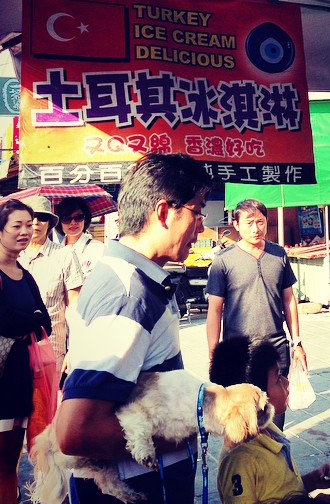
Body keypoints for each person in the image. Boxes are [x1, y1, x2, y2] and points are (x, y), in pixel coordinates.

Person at [55, 153, 211, 503]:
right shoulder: (130, 292)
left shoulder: (135, 277)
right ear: (163, 212)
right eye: (197, 211)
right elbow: (77, 431)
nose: (201, 225)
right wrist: (187, 429)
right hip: (138, 488)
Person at [205, 198, 307, 430]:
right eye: (249, 222)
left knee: (276, 415)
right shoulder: (223, 261)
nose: (256, 228)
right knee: (242, 420)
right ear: (236, 225)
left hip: (275, 347)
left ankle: (275, 458)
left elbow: (289, 299)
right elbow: (215, 310)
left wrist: (297, 342)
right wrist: (214, 353)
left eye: (260, 222)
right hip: (238, 352)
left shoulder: (279, 255)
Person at [211, 336, 330, 504]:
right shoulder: (239, 459)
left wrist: (311, 481)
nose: (286, 383)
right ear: (254, 396)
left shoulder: (269, 428)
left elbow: (278, 491)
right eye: (278, 378)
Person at [0, 199, 52, 503]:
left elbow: (44, 319)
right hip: (2, 377)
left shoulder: (25, 274)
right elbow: (5, 320)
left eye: (28, 226)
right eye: (16, 225)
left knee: (9, 462)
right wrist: (28, 321)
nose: (25, 232)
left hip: (20, 378)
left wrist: (27, 321)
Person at [19, 196, 83, 375]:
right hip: (15, 347)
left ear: (50, 224)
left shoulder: (64, 256)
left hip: (51, 350)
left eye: (43, 217)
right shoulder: (11, 256)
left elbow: (75, 307)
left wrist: (74, 349)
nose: (37, 222)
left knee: (48, 403)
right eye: (32, 217)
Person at [54, 197, 104, 282]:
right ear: (59, 221)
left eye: (78, 217)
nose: (73, 222)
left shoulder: (99, 248)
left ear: (85, 218)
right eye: (66, 218)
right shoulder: (54, 251)